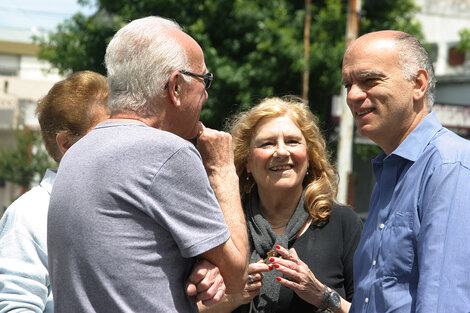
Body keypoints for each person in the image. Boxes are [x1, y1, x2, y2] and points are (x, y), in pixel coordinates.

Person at [47, 16, 248, 313]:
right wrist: (222, 169)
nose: (206, 94)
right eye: (204, 81)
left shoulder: (76, 153)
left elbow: (133, 256)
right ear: (176, 87)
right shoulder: (169, 154)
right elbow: (237, 273)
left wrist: (205, 264)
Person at [341, 30, 470, 312]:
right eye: (348, 84)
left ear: (418, 84)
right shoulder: (390, 170)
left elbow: (443, 302)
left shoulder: (449, 166)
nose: (352, 95)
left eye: (369, 81)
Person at [200, 96, 363, 313]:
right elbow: (182, 305)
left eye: (293, 141)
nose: (281, 152)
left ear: (309, 157)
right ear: (247, 161)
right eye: (267, 143)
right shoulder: (222, 224)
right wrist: (233, 297)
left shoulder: (342, 224)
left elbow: (369, 308)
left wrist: (321, 295)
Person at [0, 70, 110, 312]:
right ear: (66, 144)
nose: (117, 144)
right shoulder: (30, 214)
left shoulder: (120, 207)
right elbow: (16, 306)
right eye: (104, 135)